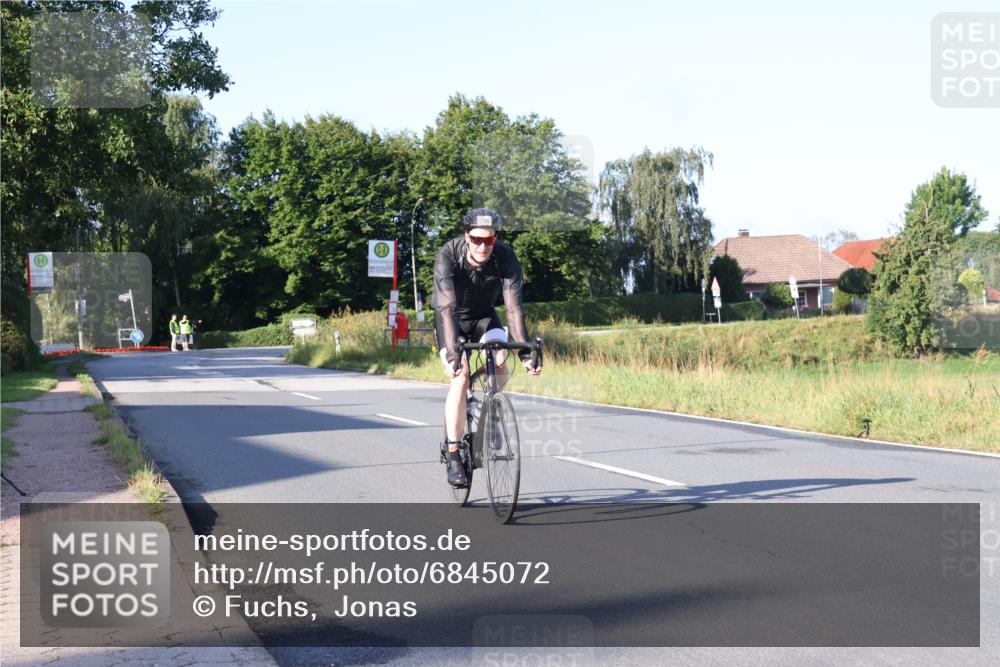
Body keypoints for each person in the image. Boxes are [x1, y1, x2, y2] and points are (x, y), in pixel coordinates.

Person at [432, 207, 542, 487]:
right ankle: (454, 454)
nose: (483, 246)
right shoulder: (448, 254)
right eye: (477, 239)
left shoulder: (505, 257)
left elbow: (513, 307)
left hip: (484, 317)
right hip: (451, 320)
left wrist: (525, 352)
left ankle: (489, 409)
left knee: (501, 359)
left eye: (489, 240)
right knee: (460, 378)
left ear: (495, 239)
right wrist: (455, 357)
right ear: (466, 236)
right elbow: (446, 307)